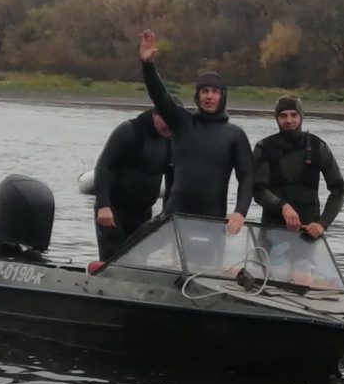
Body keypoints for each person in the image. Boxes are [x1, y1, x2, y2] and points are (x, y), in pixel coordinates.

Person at [138, 29, 253, 235]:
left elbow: (247, 176)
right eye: (205, 91)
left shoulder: (235, 135)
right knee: (129, 253)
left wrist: (240, 212)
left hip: (212, 221)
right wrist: (148, 65)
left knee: (204, 268)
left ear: (222, 97)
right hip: (173, 216)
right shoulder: (184, 123)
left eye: (215, 92)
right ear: (197, 97)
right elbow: (161, 97)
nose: (210, 96)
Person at [252, 96, 344, 240]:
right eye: (283, 116)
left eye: (293, 115)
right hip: (272, 232)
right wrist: (282, 206)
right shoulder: (264, 148)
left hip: (308, 233)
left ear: (301, 117)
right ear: (277, 118)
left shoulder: (317, 147)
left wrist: (322, 224)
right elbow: (257, 190)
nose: (289, 120)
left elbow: (339, 190)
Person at [92, 107, 174, 261]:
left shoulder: (171, 139)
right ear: (155, 115)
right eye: (165, 120)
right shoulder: (129, 130)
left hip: (142, 213)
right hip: (113, 211)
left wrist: (166, 214)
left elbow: (172, 180)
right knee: (114, 261)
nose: (168, 126)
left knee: (138, 261)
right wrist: (103, 205)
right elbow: (103, 167)